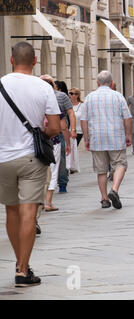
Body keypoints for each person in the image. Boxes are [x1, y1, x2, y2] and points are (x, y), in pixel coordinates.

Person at [0, 42, 61, 287]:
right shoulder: (43, 87)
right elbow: (55, 128)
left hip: (2, 158)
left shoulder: (1, 83)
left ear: (12, 60)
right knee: (28, 212)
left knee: (11, 211)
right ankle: (22, 270)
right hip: (31, 158)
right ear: (35, 61)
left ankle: (20, 263)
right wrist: (40, 135)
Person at [80, 71, 132, 209]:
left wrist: (86, 138)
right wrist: (128, 135)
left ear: (97, 83)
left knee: (101, 170)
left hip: (97, 137)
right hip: (116, 136)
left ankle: (104, 199)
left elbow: (83, 120)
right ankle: (114, 190)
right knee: (120, 164)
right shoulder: (118, 96)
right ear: (111, 82)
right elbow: (127, 117)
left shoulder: (89, 97)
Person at [40, 75, 71, 212]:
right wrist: (68, 143)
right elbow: (62, 126)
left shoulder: (31, 101)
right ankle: (48, 202)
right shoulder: (53, 103)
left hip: (33, 142)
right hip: (53, 141)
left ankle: (38, 202)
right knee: (52, 170)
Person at [55, 80, 76, 193]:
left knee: (62, 158)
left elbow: (70, 113)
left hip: (59, 132)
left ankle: (62, 183)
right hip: (43, 134)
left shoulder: (62, 96)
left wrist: (72, 130)